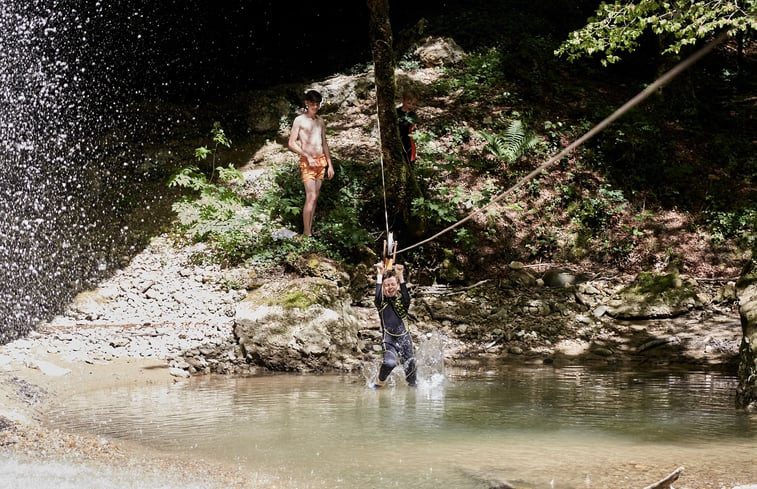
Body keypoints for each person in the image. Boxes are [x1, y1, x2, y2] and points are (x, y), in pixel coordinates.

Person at [288, 89, 335, 237]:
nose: (315, 106)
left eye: (317, 104)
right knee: (311, 196)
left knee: (315, 197)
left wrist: (330, 164)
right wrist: (306, 155)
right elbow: (291, 143)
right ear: (306, 103)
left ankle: (309, 229)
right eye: (312, 104)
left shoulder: (320, 121)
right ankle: (306, 232)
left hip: (320, 161)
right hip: (308, 162)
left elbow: (324, 143)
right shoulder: (299, 120)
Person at [372, 261, 417, 388]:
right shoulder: (381, 304)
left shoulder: (402, 303)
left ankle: (412, 394)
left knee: (411, 372)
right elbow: (378, 295)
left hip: (405, 339)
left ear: (397, 286)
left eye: (392, 284)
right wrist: (380, 275)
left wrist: (400, 275)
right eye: (387, 285)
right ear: (384, 288)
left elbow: (406, 297)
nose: (390, 287)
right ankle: (380, 384)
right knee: (389, 364)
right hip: (389, 340)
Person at [396, 90, 418, 164]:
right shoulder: (396, 112)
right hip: (396, 138)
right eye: (408, 103)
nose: (411, 106)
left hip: (407, 139)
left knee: (408, 159)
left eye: (413, 104)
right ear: (403, 100)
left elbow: (408, 125)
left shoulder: (412, 115)